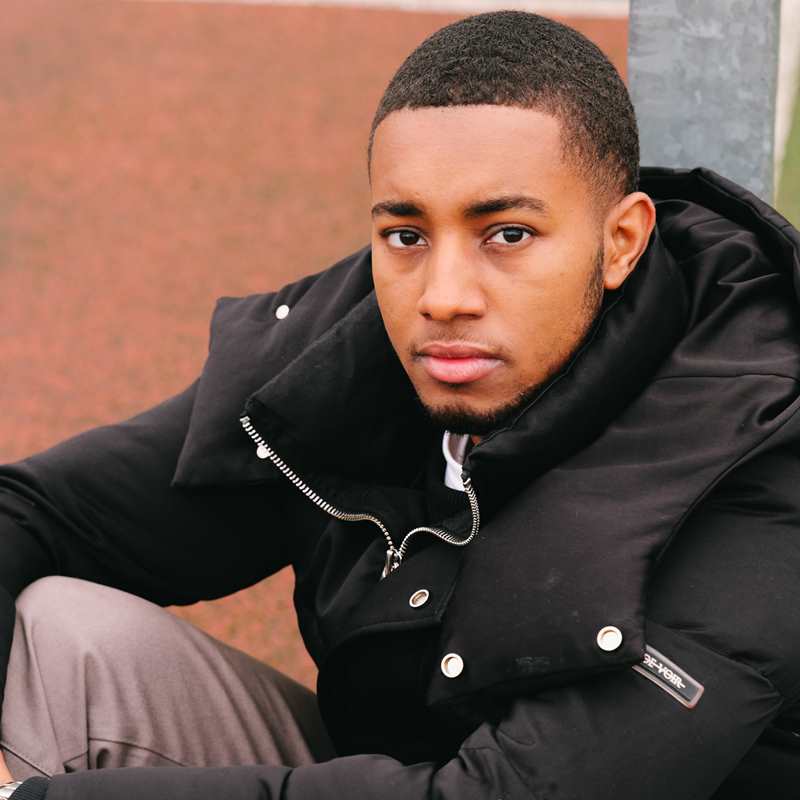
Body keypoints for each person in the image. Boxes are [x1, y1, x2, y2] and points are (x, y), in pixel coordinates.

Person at [0, 9, 799, 800]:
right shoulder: (356, 358)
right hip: (396, 776)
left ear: (620, 241)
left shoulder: (757, 456)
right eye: (408, 235)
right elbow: (34, 512)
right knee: (62, 636)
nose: (443, 297)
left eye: (507, 234)